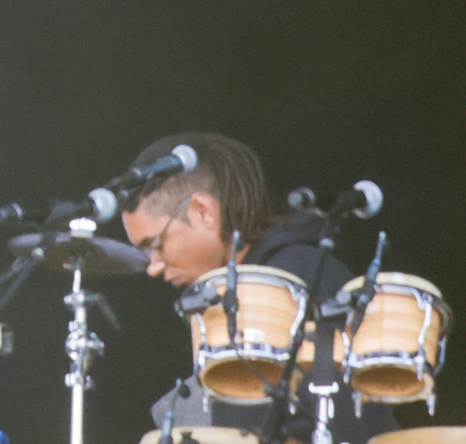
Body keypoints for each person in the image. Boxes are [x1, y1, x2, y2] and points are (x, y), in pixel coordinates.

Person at [120, 131, 348, 426]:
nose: (153, 267)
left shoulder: (303, 278)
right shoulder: (221, 296)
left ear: (202, 212)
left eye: (156, 246)